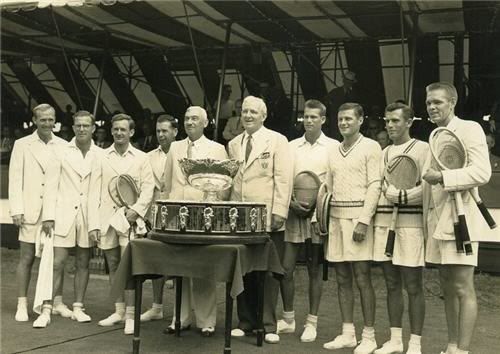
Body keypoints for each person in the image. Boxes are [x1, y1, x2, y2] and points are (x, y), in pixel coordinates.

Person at [422, 82, 491, 354]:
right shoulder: (435, 135)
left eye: (437, 102)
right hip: (438, 220)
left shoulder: (470, 128)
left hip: (462, 219)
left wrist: (443, 177)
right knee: (447, 287)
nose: (432, 107)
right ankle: (451, 347)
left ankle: (462, 350)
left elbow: (482, 173)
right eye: (428, 103)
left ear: (452, 103)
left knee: (463, 286)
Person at [229, 95, 292, 344]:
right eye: (244, 111)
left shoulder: (277, 140)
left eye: (253, 112)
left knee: (268, 272)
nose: (248, 116)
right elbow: (233, 181)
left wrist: (279, 211)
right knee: (243, 269)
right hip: (241, 218)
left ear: (263, 116)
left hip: (268, 217)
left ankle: (268, 325)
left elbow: (283, 179)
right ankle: (245, 321)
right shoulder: (233, 143)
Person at [33, 111, 102, 328]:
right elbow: (51, 186)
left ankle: (78, 307)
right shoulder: (61, 152)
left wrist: (95, 224)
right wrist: (49, 217)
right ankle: (46, 308)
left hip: (87, 217)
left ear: (93, 128)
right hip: (62, 215)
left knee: (83, 263)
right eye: (78, 125)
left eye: (86, 126)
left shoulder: (100, 155)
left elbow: (97, 192)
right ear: (73, 128)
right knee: (57, 263)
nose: (81, 129)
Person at [277, 100, 339, 342]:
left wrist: (317, 210)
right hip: (293, 214)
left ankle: (311, 322)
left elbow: (333, 183)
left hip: (317, 217)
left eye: (314, 116)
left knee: (315, 269)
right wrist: (291, 203)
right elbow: (284, 180)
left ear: (323, 119)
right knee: (286, 269)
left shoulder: (333, 147)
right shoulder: (291, 146)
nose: (309, 120)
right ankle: (289, 319)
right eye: (306, 116)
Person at [163, 106, 228, 337]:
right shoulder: (175, 147)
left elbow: (222, 186)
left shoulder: (217, 149)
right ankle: (179, 319)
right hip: (176, 214)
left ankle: (206, 321)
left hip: (203, 215)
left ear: (205, 123)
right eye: (186, 118)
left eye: (194, 119)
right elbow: (168, 182)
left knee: (202, 268)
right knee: (178, 268)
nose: (190, 122)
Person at [323, 102, 382, 353]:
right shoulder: (334, 150)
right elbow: (326, 188)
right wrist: (320, 219)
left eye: (348, 119)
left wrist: (363, 221)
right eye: (340, 119)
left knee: (362, 277)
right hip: (336, 219)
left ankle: (369, 337)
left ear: (360, 120)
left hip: (358, 221)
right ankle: (348, 333)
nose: (344, 123)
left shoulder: (371, 147)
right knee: (342, 278)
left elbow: (375, 186)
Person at [373, 103, 429, 354]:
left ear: (409, 122)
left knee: (413, 285)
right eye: (387, 121)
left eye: (395, 121)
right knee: (391, 284)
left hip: (411, 224)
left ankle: (415, 343)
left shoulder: (423, 149)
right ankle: (395, 341)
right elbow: (379, 187)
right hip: (385, 223)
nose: (390, 125)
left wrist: (402, 196)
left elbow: (429, 188)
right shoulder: (383, 152)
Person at [8, 104, 71, 322]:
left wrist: (58, 212)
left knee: (52, 261)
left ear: (55, 121)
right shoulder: (22, 144)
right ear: (35, 120)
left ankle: (48, 304)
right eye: (43, 119)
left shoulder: (64, 146)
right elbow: (15, 180)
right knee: (26, 258)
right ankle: (22, 304)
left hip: (53, 213)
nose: (47, 123)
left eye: (51, 119)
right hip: (28, 212)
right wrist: (16, 210)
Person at [96, 113, 154, 335]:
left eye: (123, 129)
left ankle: (131, 314)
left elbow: (148, 189)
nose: (119, 132)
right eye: (115, 129)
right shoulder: (101, 156)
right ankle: (118, 311)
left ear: (131, 132)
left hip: (130, 220)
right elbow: (95, 190)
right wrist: (95, 223)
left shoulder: (141, 158)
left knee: (128, 265)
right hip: (107, 219)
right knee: (112, 263)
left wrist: (135, 211)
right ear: (111, 131)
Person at [140, 114, 178, 322]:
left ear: (175, 132)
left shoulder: (183, 153)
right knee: (156, 262)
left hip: (177, 215)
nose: (161, 135)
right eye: (158, 131)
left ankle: (180, 313)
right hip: (154, 215)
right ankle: (157, 307)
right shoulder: (148, 157)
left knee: (179, 262)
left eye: (165, 131)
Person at [324, 71, 359, 140]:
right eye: (347, 81)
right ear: (344, 81)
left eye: (350, 82)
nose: (348, 83)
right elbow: (325, 103)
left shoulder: (354, 95)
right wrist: (327, 115)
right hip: (335, 122)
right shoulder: (335, 92)